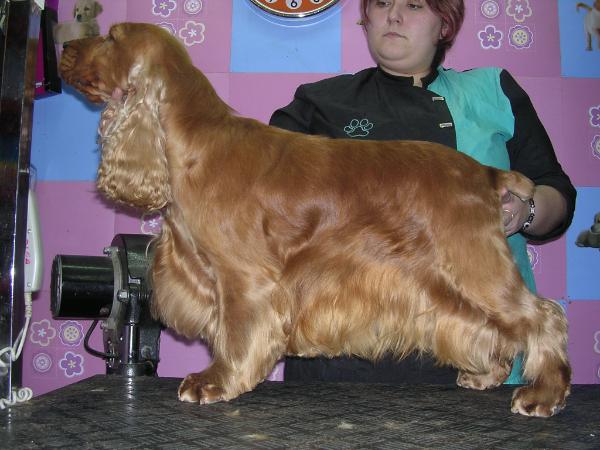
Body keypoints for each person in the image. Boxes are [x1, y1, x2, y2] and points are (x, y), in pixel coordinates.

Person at [269, 0, 576, 384]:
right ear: (366, 20)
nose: (393, 15)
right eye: (381, 3)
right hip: (340, 356)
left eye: (413, 5)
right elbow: (265, 192)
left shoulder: (493, 91)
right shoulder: (318, 102)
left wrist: (524, 211)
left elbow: (555, 190)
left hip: (476, 360)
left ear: (444, 25)